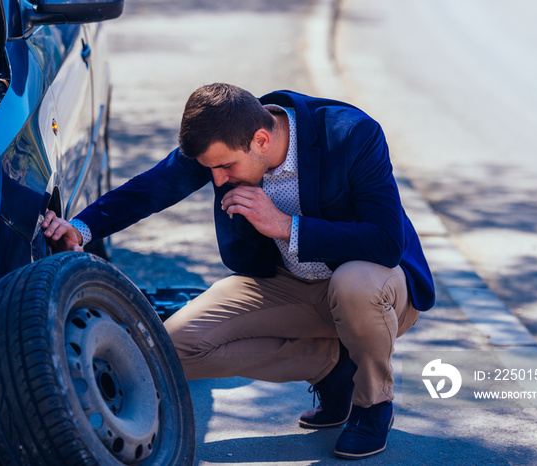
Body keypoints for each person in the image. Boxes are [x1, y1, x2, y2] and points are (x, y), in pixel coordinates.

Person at [42, 83, 435, 459]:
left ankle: (373, 404)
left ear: (262, 140)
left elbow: (386, 241)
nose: (217, 179)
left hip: (377, 288)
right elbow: (151, 188)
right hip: (291, 284)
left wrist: (285, 226)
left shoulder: (352, 135)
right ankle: (332, 368)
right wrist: (80, 228)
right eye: (211, 169)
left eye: (226, 167)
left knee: (353, 285)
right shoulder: (224, 136)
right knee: (173, 349)